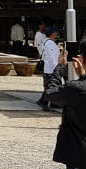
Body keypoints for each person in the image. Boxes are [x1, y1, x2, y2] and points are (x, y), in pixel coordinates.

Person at [44, 40, 86, 169]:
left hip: (79, 153)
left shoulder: (76, 88)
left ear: (82, 59)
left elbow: (50, 93)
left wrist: (60, 67)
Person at [37, 26, 60, 111]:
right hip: (51, 68)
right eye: (56, 32)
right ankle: (48, 102)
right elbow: (52, 57)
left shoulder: (45, 42)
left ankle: (47, 102)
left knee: (50, 86)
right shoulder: (50, 43)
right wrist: (56, 68)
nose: (57, 34)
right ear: (52, 33)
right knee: (53, 86)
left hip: (48, 68)